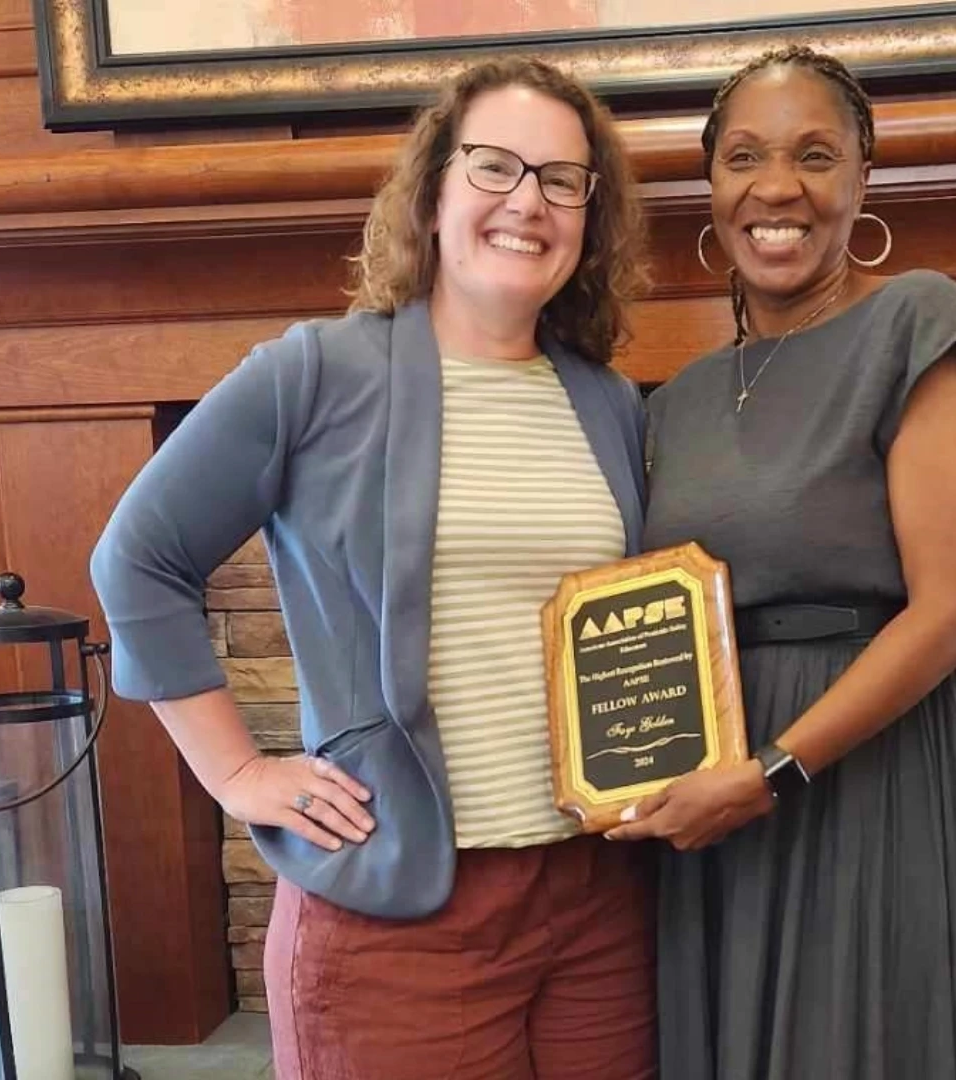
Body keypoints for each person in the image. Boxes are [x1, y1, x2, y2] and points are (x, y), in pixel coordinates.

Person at [89, 58, 656, 1080]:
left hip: (594, 910)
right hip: (395, 912)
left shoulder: (609, 404)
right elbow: (138, 559)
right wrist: (235, 772)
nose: (528, 200)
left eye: (564, 180)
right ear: (434, 191)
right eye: (494, 167)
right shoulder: (313, 374)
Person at [605, 45, 956, 1079]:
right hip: (714, 799)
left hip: (863, 781)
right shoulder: (679, 400)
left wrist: (775, 770)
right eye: (743, 157)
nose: (776, 188)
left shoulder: (918, 320)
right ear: (711, 190)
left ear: (861, 180)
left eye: (814, 155)